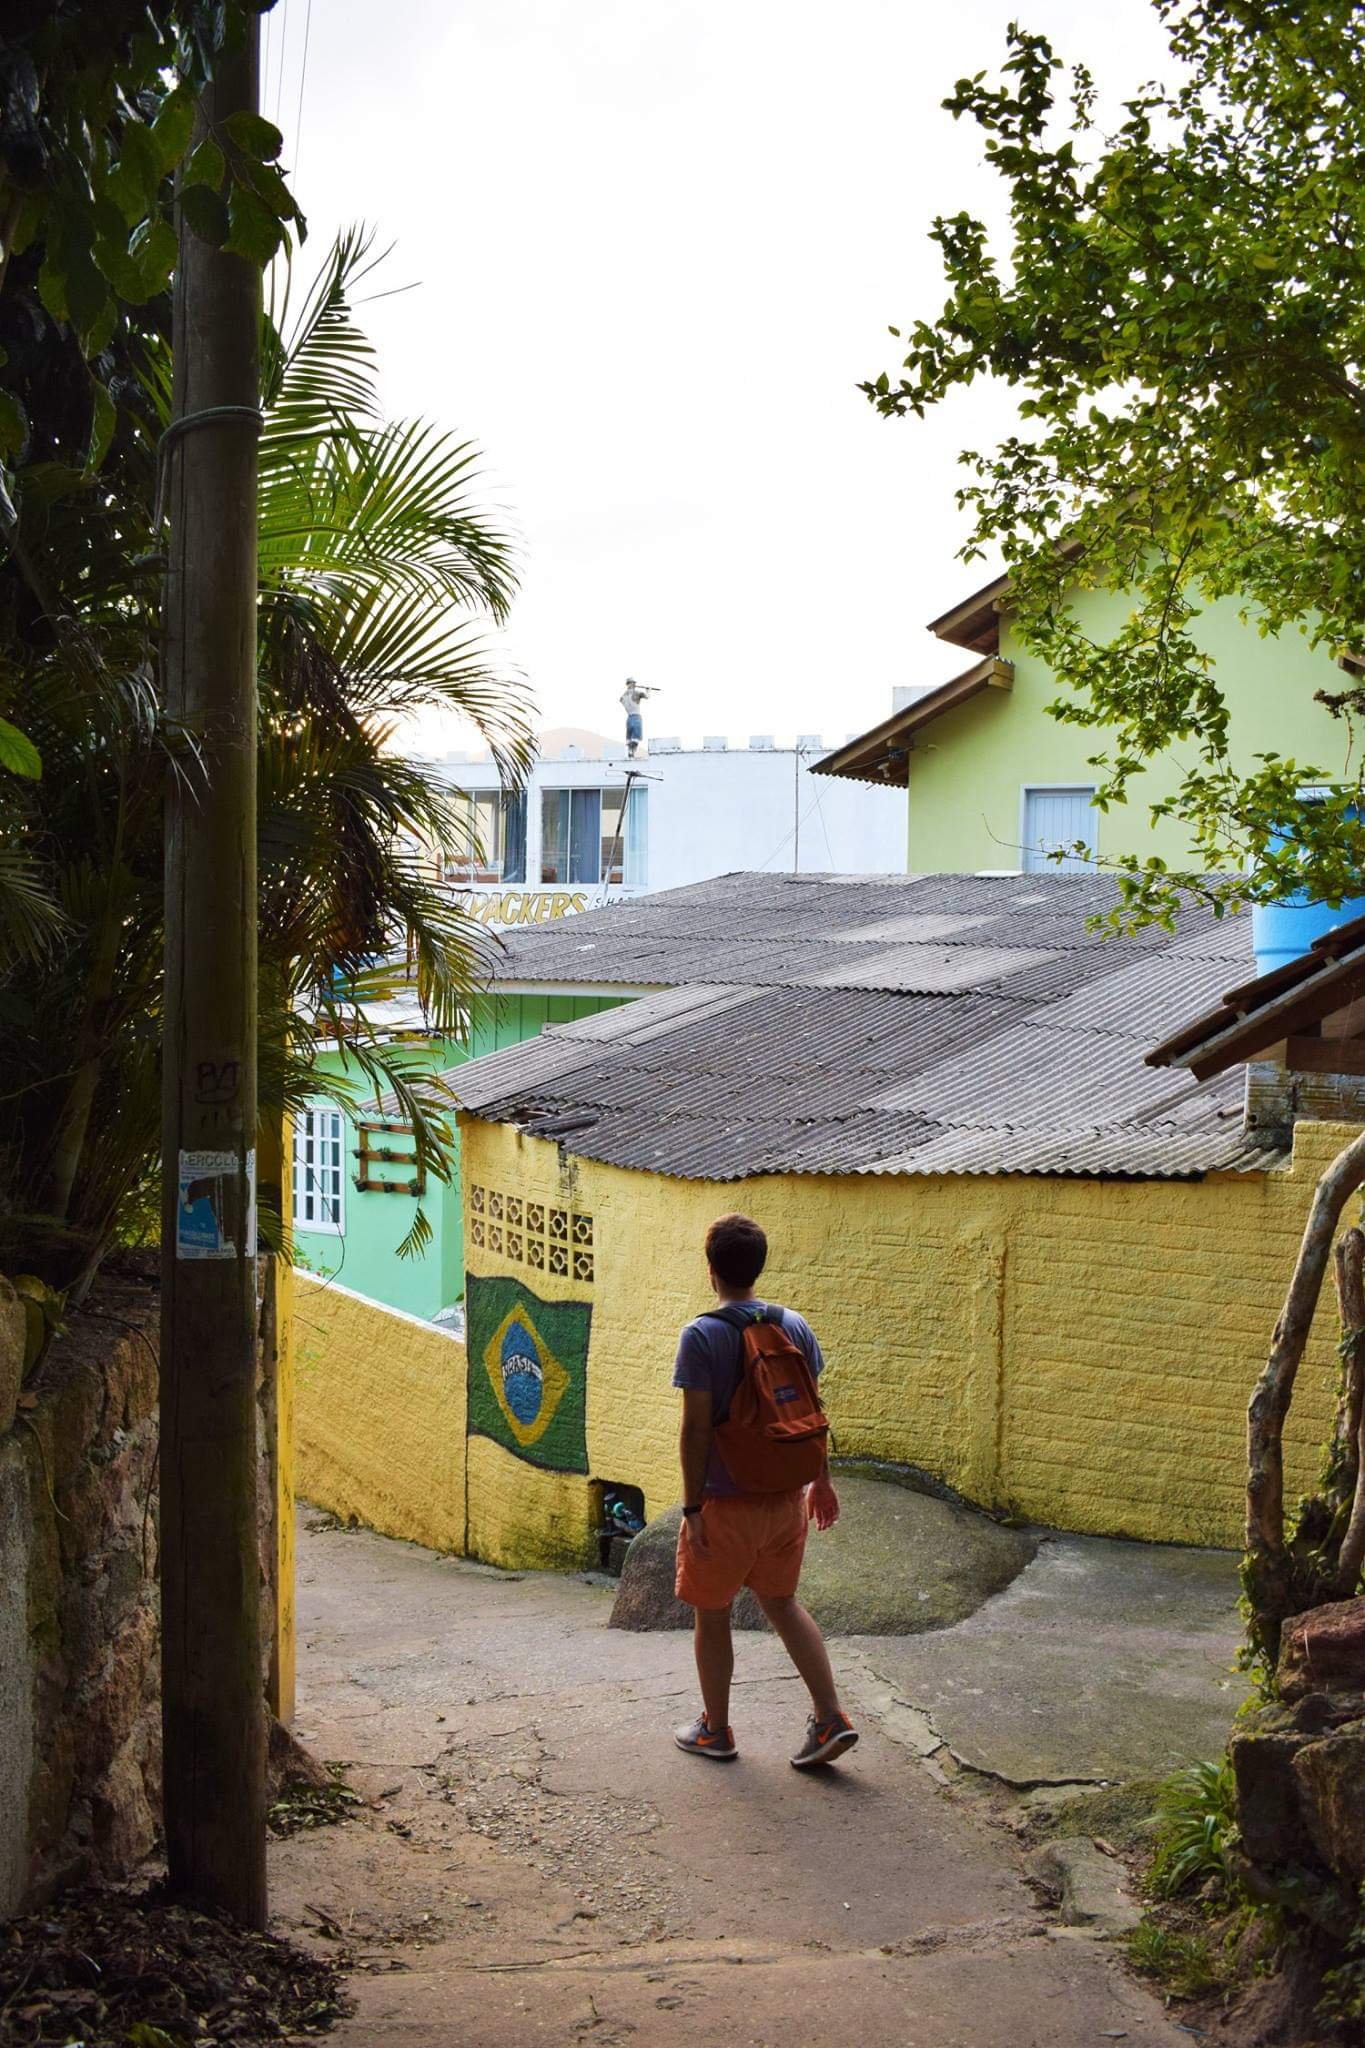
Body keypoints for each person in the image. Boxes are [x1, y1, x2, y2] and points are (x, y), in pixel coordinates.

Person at [671, 1212, 858, 1769]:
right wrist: (820, 1481)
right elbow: (811, 1410)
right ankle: (830, 1717)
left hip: (726, 1504)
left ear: (711, 1272)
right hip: (784, 1501)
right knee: (782, 1604)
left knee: (713, 1611)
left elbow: (696, 1428)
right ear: (759, 1267)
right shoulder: (793, 1325)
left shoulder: (701, 1335)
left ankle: (716, 1730)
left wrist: (692, 1505)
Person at [620, 677, 655, 758]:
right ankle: (632, 752)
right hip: (636, 716)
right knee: (635, 738)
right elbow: (647, 696)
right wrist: (648, 690)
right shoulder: (637, 693)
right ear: (632, 684)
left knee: (629, 739)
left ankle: (630, 752)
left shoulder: (623, 696)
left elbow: (621, 700)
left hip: (629, 718)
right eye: (634, 683)